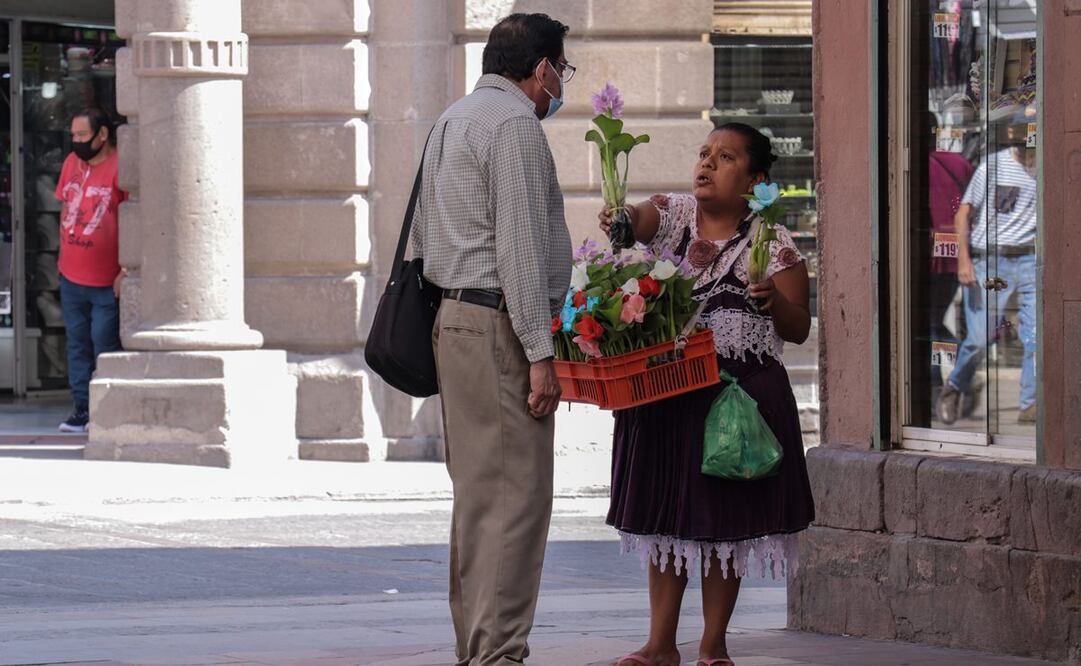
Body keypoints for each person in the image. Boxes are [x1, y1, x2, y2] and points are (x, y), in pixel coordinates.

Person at [598, 123, 815, 666]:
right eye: (704, 154)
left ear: (756, 179)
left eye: (725, 157)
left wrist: (772, 303)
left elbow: (798, 326)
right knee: (665, 519)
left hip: (738, 400)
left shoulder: (777, 245)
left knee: (724, 526)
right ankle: (659, 644)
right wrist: (621, 220)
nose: (707, 163)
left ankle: (713, 645)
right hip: (667, 392)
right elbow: (635, 220)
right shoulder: (672, 215)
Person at [409, 13, 573, 665]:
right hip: (498, 324)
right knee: (516, 502)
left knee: (479, 501)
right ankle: (498, 654)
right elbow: (521, 249)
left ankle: (478, 649)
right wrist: (539, 354)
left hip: (454, 320)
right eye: (561, 70)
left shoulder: (453, 118)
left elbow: (424, 233)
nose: (560, 85)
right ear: (540, 70)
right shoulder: (513, 127)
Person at [936, 107, 1037, 425]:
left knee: (1035, 337)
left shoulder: (1045, 168)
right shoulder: (992, 167)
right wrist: (964, 260)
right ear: (1013, 135)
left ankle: (1029, 404)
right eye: (1021, 133)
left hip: (1029, 258)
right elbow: (962, 213)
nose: (1025, 140)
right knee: (979, 338)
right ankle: (954, 385)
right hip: (990, 259)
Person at [55, 108, 126, 433]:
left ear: (102, 135)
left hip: (106, 280)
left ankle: (108, 410)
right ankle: (82, 409)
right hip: (70, 273)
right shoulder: (72, 162)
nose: (76, 141)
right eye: (73, 135)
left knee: (104, 343)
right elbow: (64, 204)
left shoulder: (120, 166)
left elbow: (133, 219)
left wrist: (127, 270)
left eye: (82, 135)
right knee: (78, 344)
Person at [927, 123, 975, 398]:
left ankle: (939, 382)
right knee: (932, 320)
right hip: (955, 253)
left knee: (927, 323)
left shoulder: (908, 162)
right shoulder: (958, 163)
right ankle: (953, 372)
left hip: (926, 256)